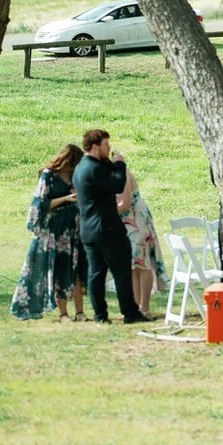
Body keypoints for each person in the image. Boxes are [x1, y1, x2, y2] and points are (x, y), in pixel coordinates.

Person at [73, 129, 148, 324]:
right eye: (106, 145)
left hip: (89, 230)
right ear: (95, 146)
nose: (109, 148)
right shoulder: (94, 168)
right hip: (107, 229)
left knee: (96, 273)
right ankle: (130, 312)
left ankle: (100, 315)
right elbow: (117, 185)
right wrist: (120, 164)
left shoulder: (81, 167)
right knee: (121, 271)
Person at [11, 144, 86, 321]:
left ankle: (80, 312)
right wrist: (66, 199)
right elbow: (41, 203)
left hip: (73, 228)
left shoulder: (74, 176)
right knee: (59, 268)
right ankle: (63, 313)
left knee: (75, 269)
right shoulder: (48, 176)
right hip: (54, 230)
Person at [118, 165, 167, 315]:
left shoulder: (123, 174)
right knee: (133, 266)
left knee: (143, 264)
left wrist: (102, 213)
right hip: (127, 224)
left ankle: (145, 307)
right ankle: (136, 306)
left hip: (137, 222)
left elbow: (124, 203)